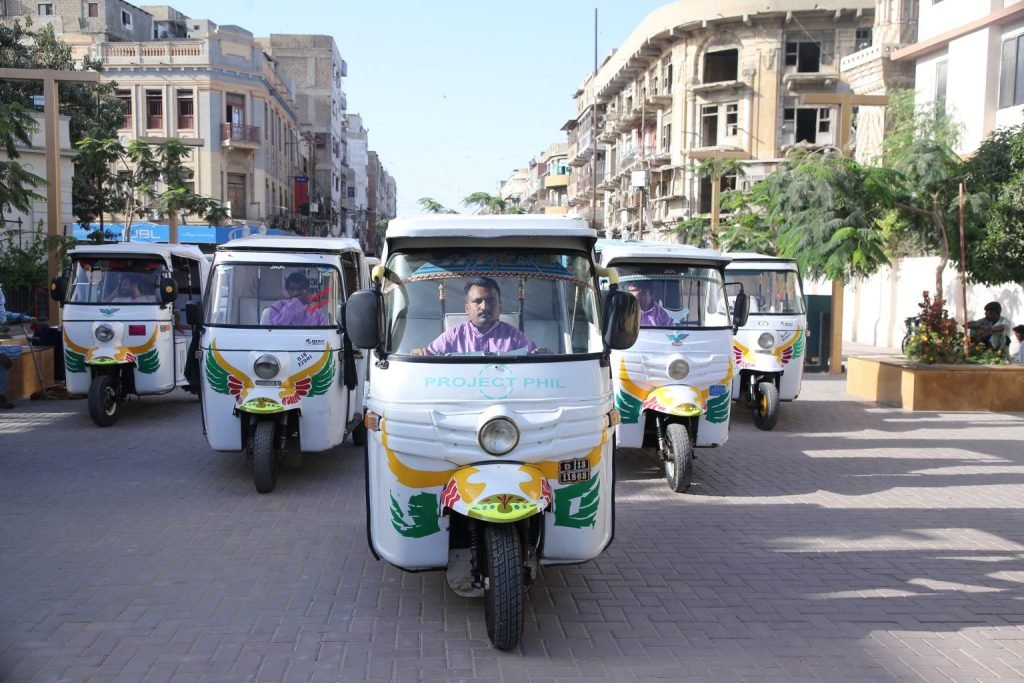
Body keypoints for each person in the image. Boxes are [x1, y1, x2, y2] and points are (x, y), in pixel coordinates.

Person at [413, 277, 539, 355]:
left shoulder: (515, 337)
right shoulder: (452, 336)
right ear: (467, 308)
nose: (484, 307)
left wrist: (541, 355)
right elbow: (429, 357)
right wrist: (420, 354)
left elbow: (536, 360)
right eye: (478, 301)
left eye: (491, 301)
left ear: (500, 307)